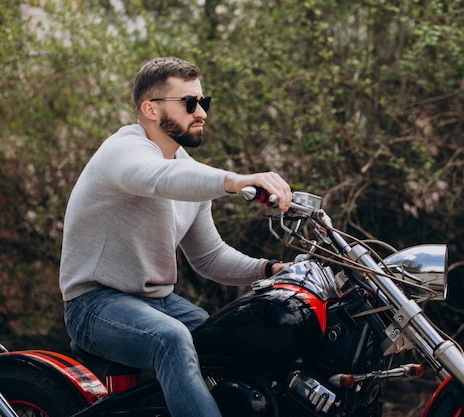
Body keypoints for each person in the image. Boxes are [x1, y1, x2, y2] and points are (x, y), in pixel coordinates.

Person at [59, 56, 292, 417]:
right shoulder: (123, 151)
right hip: (94, 305)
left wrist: (270, 269)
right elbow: (157, 178)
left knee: (238, 341)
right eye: (188, 103)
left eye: (204, 102)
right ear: (150, 109)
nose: (200, 112)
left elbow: (209, 257)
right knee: (171, 339)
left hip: (159, 303)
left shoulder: (187, 171)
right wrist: (235, 181)